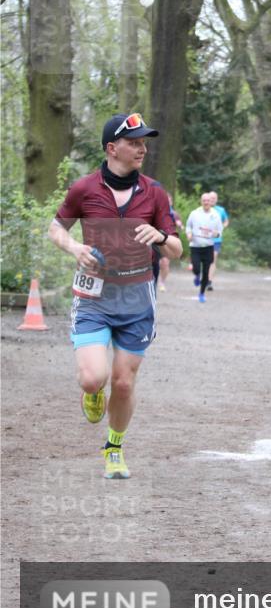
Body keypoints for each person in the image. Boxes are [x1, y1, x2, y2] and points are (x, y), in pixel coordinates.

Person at [48, 113, 183, 479]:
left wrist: (160, 237)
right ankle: (92, 393)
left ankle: (114, 447)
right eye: (134, 142)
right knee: (94, 378)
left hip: (138, 299)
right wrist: (74, 246)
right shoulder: (84, 189)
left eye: (144, 143)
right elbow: (56, 228)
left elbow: (176, 249)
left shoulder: (154, 192)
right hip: (94, 298)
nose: (142, 148)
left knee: (123, 382)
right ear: (112, 148)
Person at [186, 192, 222, 303]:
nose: (206, 202)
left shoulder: (215, 215)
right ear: (201, 201)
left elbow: (219, 232)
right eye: (204, 200)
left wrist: (216, 234)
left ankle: (201, 294)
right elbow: (188, 226)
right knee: (196, 268)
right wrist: (189, 234)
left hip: (208, 247)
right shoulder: (194, 213)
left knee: (206, 272)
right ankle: (197, 275)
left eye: (208, 200)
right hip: (196, 246)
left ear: (211, 202)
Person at [158, 192, 183, 292]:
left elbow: (179, 225)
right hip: (154, 240)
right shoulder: (156, 210)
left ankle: (162, 282)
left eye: (169, 201)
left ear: (171, 202)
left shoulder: (174, 214)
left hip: (167, 241)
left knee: (164, 263)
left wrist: (180, 225)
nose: (167, 203)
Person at [207, 190, 229, 291]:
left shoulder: (221, 210)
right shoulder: (202, 210)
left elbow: (226, 221)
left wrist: (222, 227)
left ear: (216, 200)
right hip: (204, 239)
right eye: (211, 198)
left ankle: (209, 281)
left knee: (213, 258)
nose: (212, 200)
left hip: (216, 239)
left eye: (214, 198)